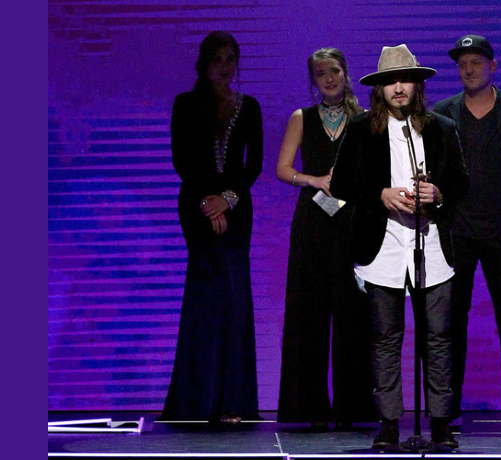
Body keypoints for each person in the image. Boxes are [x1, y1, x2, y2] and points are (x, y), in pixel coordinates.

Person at [330, 44, 469, 449]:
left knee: (438, 338)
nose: (398, 88)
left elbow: (461, 181)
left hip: (432, 246)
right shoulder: (362, 128)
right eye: (390, 81)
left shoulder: (441, 127)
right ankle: (389, 424)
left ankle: (440, 423)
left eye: (405, 79)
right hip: (384, 246)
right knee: (386, 337)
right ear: (379, 89)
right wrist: (381, 194)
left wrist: (438, 193)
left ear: (417, 84)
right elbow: (341, 183)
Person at [433, 35, 501, 429]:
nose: (469, 69)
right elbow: (437, 171)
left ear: (492, 66)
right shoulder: (442, 114)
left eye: (476, 62)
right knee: (451, 320)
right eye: (463, 63)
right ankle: (448, 406)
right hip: (457, 231)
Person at [161, 31, 263, 424]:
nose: (224, 66)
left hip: (237, 210)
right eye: (217, 58)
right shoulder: (185, 104)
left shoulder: (249, 106)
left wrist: (228, 199)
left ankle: (232, 401)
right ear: (204, 63)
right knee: (204, 296)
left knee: (234, 299)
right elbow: (182, 159)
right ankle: (197, 401)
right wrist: (208, 201)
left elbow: (253, 164)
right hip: (196, 207)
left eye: (230, 58)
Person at [275, 48, 376, 430]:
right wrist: (314, 179)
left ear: (345, 73)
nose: (329, 78)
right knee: (309, 312)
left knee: (353, 314)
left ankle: (352, 410)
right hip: (313, 221)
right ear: (313, 81)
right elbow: (283, 168)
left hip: (352, 221)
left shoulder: (364, 118)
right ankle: (310, 409)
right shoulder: (301, 117)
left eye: (334, 70)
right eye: (321, 74)